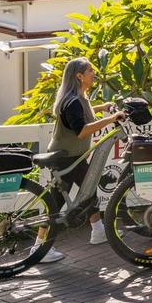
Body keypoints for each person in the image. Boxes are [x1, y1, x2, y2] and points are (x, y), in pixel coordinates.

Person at [37, 56, 126, 263]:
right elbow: (82, 130)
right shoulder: (73, 101)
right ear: (79, 76)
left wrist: (101, 107)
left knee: (88, 190)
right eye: (90, 72)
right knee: (56, 201)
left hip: (72, 156)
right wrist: (111, 119)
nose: (94, 75)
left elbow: (82, 114)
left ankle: (98, 231)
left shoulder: (78, 98)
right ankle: (39, 248)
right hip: (66, 158)